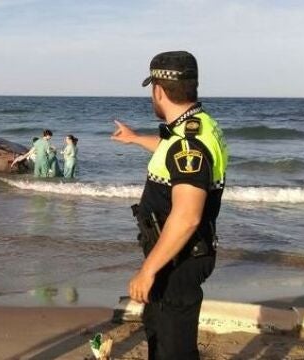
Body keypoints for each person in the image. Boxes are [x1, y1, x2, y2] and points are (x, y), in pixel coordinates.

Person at [111, 51, 228, 359]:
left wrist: (148, 270)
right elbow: (170, 148)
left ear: (158, 90)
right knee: (159, 333)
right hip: (173, 253)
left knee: (174, 349)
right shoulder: (196, 127)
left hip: (179, 258)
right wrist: (135, 138)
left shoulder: (189, 143)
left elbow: (188, 216)